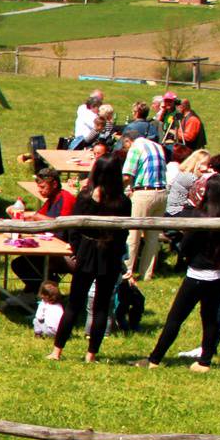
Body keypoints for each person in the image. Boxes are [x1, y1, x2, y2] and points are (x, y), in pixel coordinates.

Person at [140, 171, 220, 371]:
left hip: (198, 274)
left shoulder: (199, 217)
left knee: (175, 318)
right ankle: (205, 361)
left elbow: (186, 246)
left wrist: (184, 253)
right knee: (209, 318)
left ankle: (155, 359)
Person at [49, 155, 130, 362]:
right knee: (101, 306)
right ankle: (90, 354)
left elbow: (75, 226)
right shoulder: (122, 201)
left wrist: (77, 249)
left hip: (87, 251)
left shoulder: (86, 197)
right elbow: (123, 232)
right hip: (109, 253)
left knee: (74, 303)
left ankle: (57, 351)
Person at [10, 168, 75, 291]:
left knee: (23, 264)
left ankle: (44, 293)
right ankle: (40, 292)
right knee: (20, 263)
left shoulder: (66, 199)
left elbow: (62, 226)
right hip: (53, 248)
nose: (40, 191)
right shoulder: (52, 200)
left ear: (54, 184)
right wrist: (18, 215)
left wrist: (36, 217)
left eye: (42, 187)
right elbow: (36, 218)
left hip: (68, 253)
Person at [121, 125, 169, 280]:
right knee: (152, 237)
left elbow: (127, 176)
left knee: (133, 235)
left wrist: (115, 188)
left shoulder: (135, 148)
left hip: (144, 194)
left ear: (128, 141)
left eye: (124, 145)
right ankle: (146, 274)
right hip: (162, 193)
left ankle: (127, 272)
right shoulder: (157, 146)